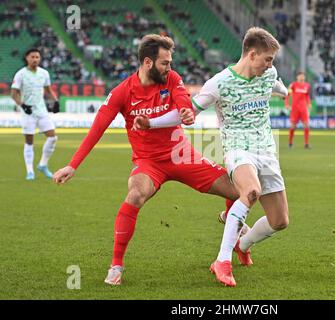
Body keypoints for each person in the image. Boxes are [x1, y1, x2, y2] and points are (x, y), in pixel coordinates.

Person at [53, 34, 241, 286]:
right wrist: (72, 165)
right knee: (135, 194)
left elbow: (183, 100)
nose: (170, 68)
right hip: (149, 163)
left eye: (170, 62)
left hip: (182, 155)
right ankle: (116, 265)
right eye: (165, 63)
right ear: (148, 63)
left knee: (239, 190)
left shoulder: (171, 78)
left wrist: (185, 110)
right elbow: (97, 129)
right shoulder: (122, 92)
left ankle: (235, 237)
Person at [146, 27, 290, 287]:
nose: (270, 65)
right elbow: (187, 111)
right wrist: (152, 123)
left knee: (279, 221)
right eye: (267, 59)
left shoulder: (269, 73)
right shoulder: (219, 83)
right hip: (238, 149)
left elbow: (278, 86)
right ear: (252, 54)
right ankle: (222, 261)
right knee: (251, 191)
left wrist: (284, 91)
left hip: (268, 150)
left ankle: (243, 244)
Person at [11, 48, 60, 180]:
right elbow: (13, 94)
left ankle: (43, 165)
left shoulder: (44, 73)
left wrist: (55, 101)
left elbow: (48, 90)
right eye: (32, 57)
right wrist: (22, 105)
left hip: (42, 110)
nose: (35, 59)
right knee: (29, 142)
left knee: (53, 137)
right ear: (27, 58)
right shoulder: (20, 74)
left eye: (37, 57)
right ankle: (30, 171)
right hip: (28, 112)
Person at [285, 71, 312, 148]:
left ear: (304, 77)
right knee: (293, 126)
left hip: (303, 109)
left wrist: (309, 103)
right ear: (297, 77)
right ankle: (290, 143)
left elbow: (307, 96)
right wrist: (286, 104)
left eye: (303, 76)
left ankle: (306, 144)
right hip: (295, 109)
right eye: (300, 76)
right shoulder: (293, 85)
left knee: (306, 125)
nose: (301, 77)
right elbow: (288, 95)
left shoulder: (307, 86)